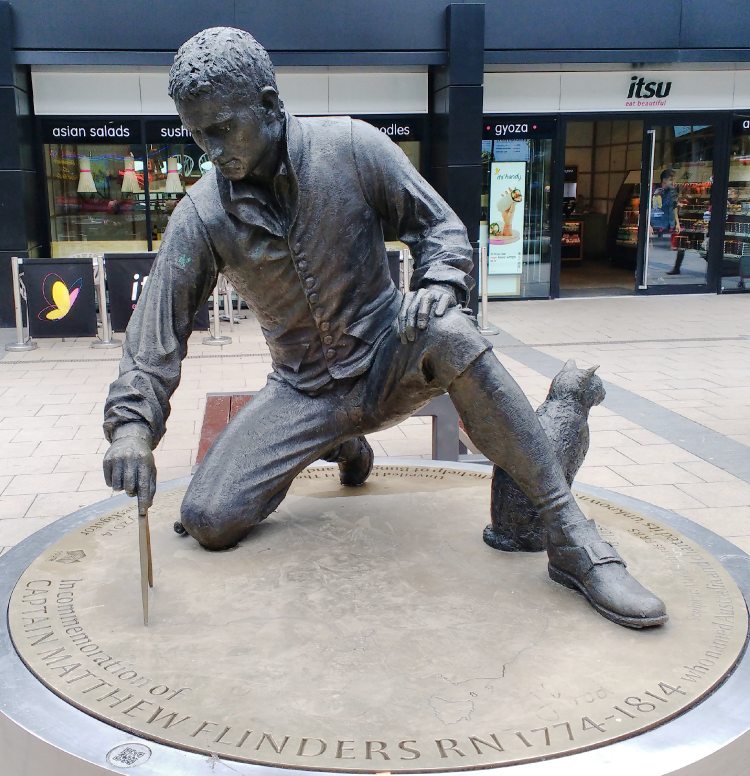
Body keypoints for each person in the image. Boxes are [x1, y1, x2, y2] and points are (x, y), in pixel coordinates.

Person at [102, 27, 667, 629]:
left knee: (450, 330)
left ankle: (572, 537)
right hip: (304, 391)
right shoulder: (202, 214)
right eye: (196, 135)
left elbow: (442, 231)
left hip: (390, 353)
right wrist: (132, 430)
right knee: (210, 520)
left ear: (268, 104)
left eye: (222, 128)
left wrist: (440, 284)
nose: (211, 150)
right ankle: (338, 439)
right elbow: (156, 330)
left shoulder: (351, 147)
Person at [651, 168, 684, 275]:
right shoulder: (657, 191)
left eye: (673, 179)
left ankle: (676, 267)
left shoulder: (673, 192)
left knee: (678, 246)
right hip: (658, 223)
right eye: (670, 179)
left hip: (668, 223)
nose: (673, 182)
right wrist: (649, 224)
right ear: (664, 180)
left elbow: (674, 208)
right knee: (657, 246)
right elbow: (652, 208)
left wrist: (677, 223)